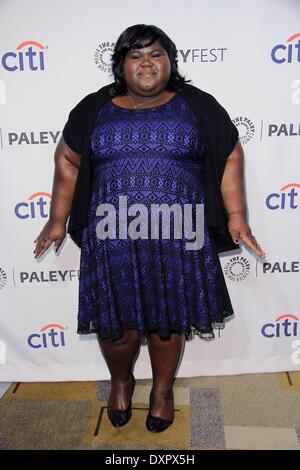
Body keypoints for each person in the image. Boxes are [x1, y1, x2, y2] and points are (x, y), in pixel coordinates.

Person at [33, 24, 266, 433]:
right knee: (116, 326)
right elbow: (68, 161)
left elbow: (230, 154)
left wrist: (237, 215)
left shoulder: (198, 105)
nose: (146, 63)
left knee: (166, 321)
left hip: (179, 237)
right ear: (121, 65)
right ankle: (121, 381)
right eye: (135, 55)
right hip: (112, 239)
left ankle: (162, 390)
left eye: (156, 54)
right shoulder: (93, 108)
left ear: (170, 62)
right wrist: (56, 220)